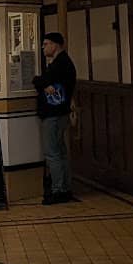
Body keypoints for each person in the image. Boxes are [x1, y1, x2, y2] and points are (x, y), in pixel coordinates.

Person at [35, 32, 78, 204]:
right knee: (60, 152)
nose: (43, 47)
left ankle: (58, 189)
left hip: (53, 114)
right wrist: (44, 83)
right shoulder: (65, 63)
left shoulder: (60, 64)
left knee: (52, 153)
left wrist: (40, 82)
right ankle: (65, 187)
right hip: (61, 113)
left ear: (55, 45)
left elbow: (40, 80)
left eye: (46, 44)